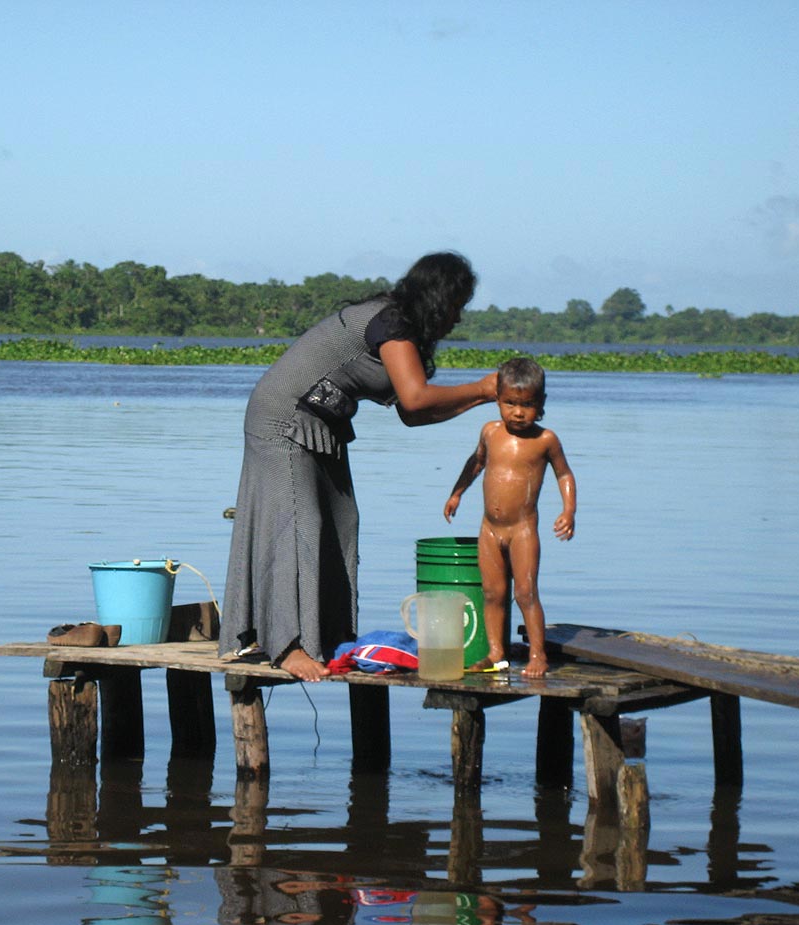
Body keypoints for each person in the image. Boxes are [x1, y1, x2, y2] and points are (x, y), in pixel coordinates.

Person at [220, 251, 498, 682]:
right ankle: (287, 645)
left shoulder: (404, 334)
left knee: (341, 519)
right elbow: (417, 399)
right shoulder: (391, 322)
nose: (458, 319)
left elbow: (413, 412)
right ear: (440, 299)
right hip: (284, 418)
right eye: (458, 306)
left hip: (322, 424)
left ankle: (323, 635)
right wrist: (481, 388)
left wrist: (482, 397)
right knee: (298, 522)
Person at [443, 357, 577, 677]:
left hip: (522, 529)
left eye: (527, 405)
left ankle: (537, 655)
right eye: (510, 403)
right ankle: (496, 654)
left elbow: (565, 475)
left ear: (541, 404)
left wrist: (569, 510)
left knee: (526, 593)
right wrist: (457, 492)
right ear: (498, 400)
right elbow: (476, 463)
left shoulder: (545, 440)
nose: (518, 412)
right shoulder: (490, 432)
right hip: (490, 529)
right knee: (493, 593)